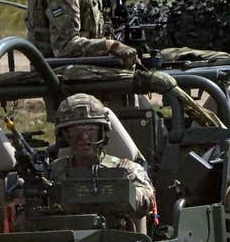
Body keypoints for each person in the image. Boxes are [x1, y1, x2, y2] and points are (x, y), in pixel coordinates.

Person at [50, 93, 155, 232]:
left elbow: (147, 199)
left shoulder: (125, 169)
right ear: (64, 136)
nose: (84, 137)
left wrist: (123, 193)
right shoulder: (53, 172)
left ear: (102, 132)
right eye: (75, 130)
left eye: (91, 130)